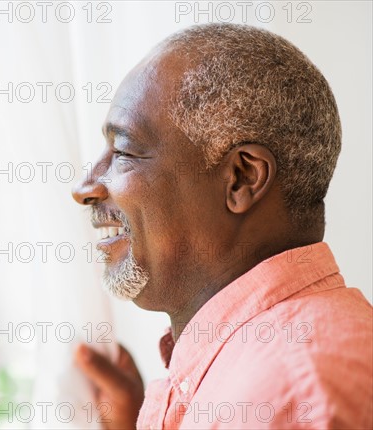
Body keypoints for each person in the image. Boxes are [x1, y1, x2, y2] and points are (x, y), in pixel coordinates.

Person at [71, 23, 373, 429]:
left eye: (124, 151)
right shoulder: (268, 372)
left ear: (242, 178)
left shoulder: (291, 393)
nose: (85, 187)